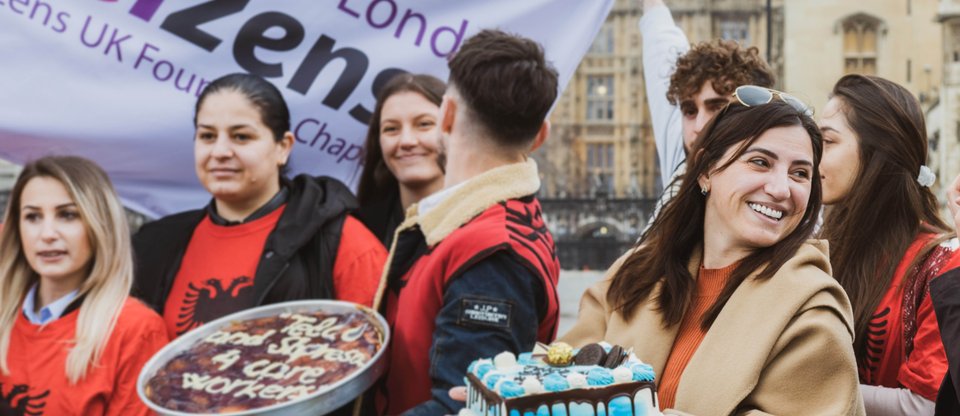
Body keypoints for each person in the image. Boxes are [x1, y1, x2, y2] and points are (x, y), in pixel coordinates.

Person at [561, 93, 864, 415]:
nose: (780, 189)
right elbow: (555, 379)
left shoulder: (811, 310)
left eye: (800, 173)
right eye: (760, 162)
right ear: (706, 169)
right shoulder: (636, 272)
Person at [373, 29, 561, 415]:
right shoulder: (492, 225)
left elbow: (463, 406)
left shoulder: (490, 251)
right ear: (540, 135)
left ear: (448, 114)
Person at [132, 73, 386, 339]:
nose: (220, 151)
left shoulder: (342, 242)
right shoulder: (155, 246)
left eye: (241, 137)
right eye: (207, 136)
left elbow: (374, 357)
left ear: (283, 148)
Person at [817, 74, 960, 415]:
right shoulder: (821, 247)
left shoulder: (943, 265)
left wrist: (803, 385)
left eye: (828, 142)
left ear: (877, 153)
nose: (812, 156)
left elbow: (924, 405)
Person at [0, 156, 168, 415]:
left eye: (67, 215)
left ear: (100, 224)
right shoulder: (5, 316)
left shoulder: (134, 329)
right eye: (32, 216)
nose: (47, 234)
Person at [639, 0, 775, 235]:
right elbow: (661, 44)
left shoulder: (775, 199)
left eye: (717, 107)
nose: (700, 126)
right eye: (690, 111)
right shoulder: (682, 160)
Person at [356, 73, 446, 247]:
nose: (406, 141)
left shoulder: (486, 223)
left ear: (452, 129)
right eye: (391, 129)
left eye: (424, 124)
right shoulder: (356, 230)